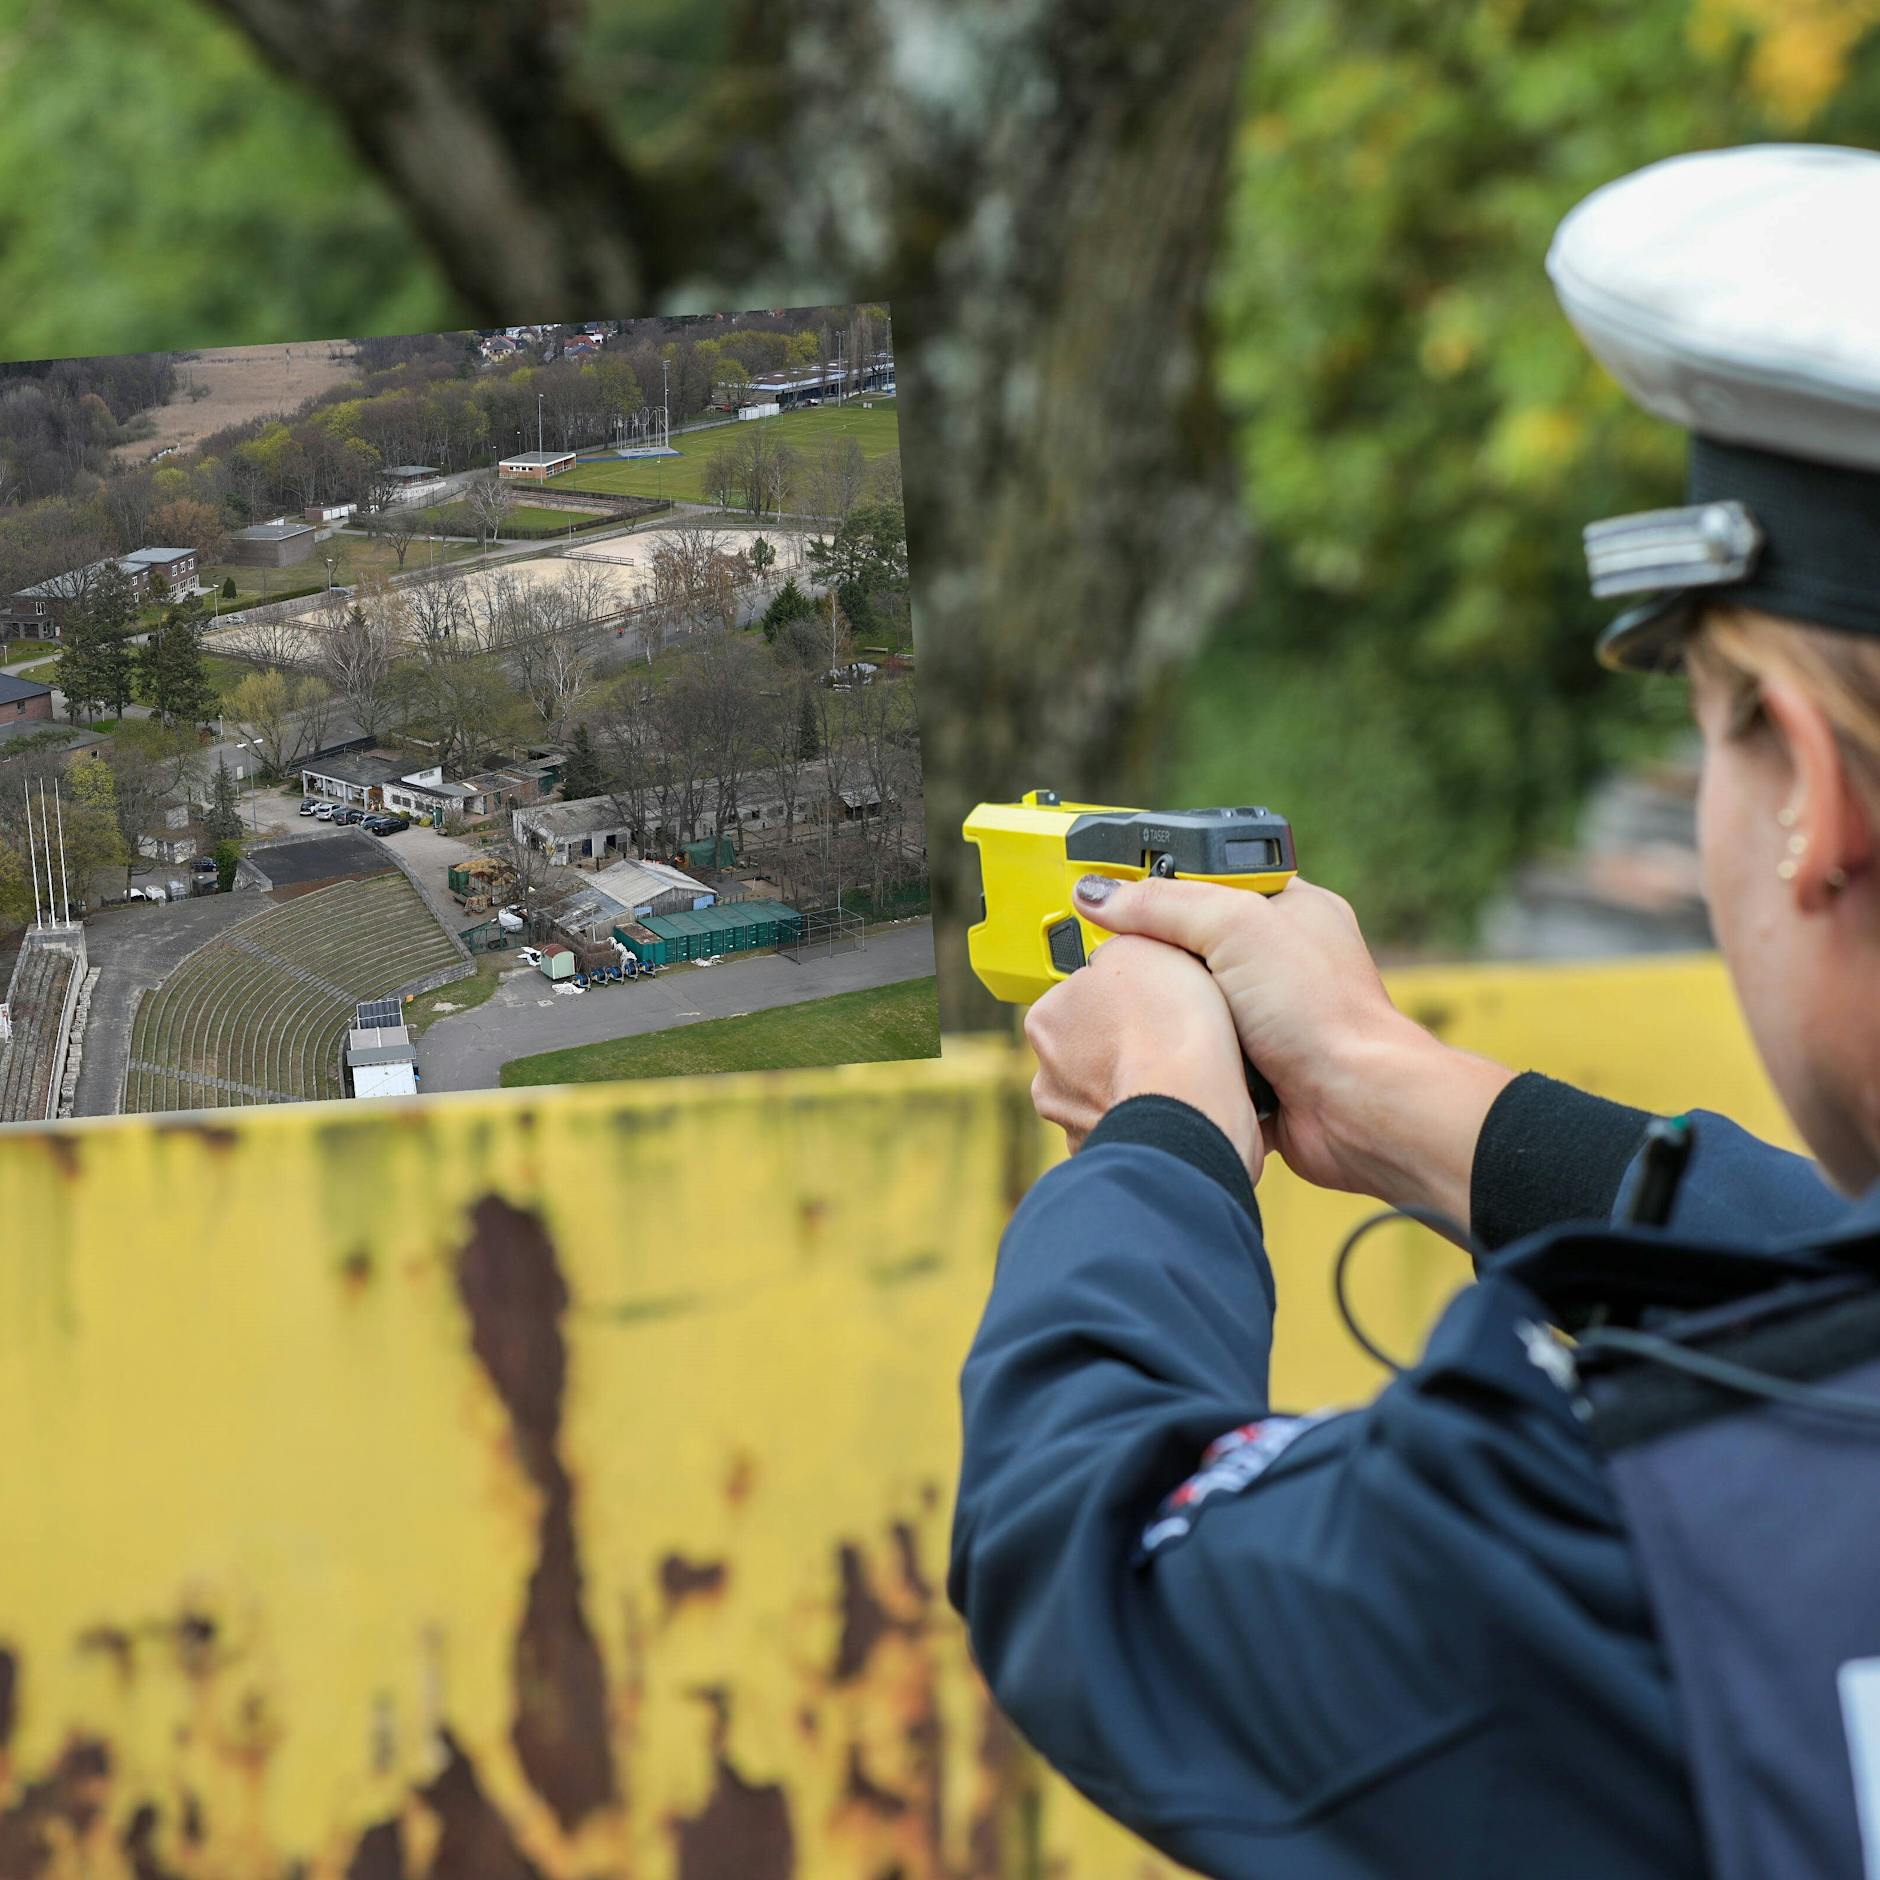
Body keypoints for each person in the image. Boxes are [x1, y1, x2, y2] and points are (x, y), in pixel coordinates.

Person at [948, 144, 1880, 1880]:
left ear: (1811, 791)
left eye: (1711, 733)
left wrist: (1158, 1134)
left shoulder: (1641, 1519)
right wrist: (1392, 1089)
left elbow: (1107, 1568)